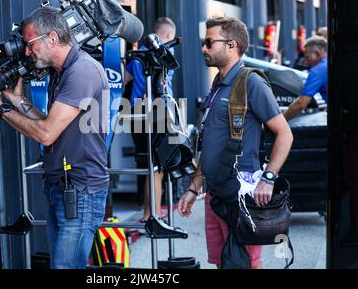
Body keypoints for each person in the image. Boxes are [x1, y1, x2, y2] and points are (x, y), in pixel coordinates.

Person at [0, 6, 109, 269]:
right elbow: (49, 123)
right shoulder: (61, 72)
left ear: (53, 39)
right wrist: (17, 102)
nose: (26, 51)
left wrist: (0, 109)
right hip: (63, 187)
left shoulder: (81, 72)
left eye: (29, 43)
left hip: (80, 191)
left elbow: (46, 134)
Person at [177, 16, 293, 269]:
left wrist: (268, 178)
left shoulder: (251, 82)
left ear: (231, 44)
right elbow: (208, 145)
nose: (203, 48)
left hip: (240, 192)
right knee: (223, 263)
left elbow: (285, 133)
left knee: (246, 263)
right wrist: (193, 188)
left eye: (209, 42)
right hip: (215, 192)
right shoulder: (217, 85)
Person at [127, 17, 176, 222]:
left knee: (150, 166)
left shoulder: (137, 56)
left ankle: (148, 214)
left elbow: (125, 78)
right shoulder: (166, 54)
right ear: (166, 36)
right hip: (158, 113)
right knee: (158, 169)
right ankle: (152, 216)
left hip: (136, 111)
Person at [284, 36, 328, 121]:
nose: (306, 61)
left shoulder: (318, 70)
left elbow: (301, 103)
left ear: (317, 53)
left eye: (307, 57)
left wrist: (281, 122)